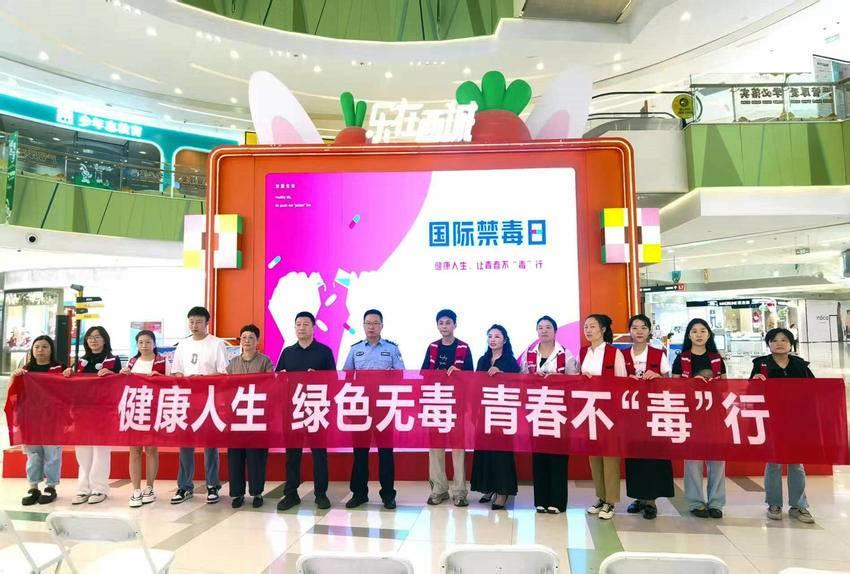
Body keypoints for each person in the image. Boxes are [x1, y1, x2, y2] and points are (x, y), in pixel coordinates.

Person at [341, 309, 405, 510]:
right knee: (360, 453)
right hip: (360, 408)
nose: (371, 327)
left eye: (376, 323)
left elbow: (402, 375)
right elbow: (346, 378)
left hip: (384, 407)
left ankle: (388, 495)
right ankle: (359, 493)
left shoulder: (392, 349)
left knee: (386, 453)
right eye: (368, 323)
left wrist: (392, 375)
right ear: (363, 325)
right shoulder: (355, 350)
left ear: (382, 326)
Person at [751, 328, 815, 524]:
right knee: (774, 462)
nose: (779, 343)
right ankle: (774, 504)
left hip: (796, 420)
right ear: (768, 344)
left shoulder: (800, 365)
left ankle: (799, 505)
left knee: (797, 463)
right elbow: (751, 391)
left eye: (784, 340)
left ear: (791, 344)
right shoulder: (761, 364)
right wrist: (754, 382)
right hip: (772, 419)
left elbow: (814, 389)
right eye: (775, 340)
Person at [276, 312, 337, 511]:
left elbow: (334, 381)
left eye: (305, 324)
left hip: (316, 408)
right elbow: (277, 379)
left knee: (319, 454)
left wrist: (319, 377)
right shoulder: (287, 352)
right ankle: (291, 494)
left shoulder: (324, 352)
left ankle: (321, 494)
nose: (301, 328)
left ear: (313, 327)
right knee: (292, 454)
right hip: (292, 410)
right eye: (298, 324)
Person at [170, 306, 229, 505]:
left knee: (210, 444)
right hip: (187, 399)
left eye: (198, 322)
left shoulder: (217, 343)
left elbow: (224, 373)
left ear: (207, 323)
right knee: (185, 444)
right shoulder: (183, 344)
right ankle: (185, 486)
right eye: (191, 321)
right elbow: (176, 371)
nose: (194, 325)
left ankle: (212, 485)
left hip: (209, 399)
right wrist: (186, 379)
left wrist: (202, 379)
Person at [520, 315, 579, 514]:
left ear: (555, 331)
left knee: (558, 455)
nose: (544, 330)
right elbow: (520, 380)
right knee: (539, 455)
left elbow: (574, 380)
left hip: (558, 410)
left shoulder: (565, 354)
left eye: (548, 327)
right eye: (540, 327)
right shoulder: (529, 354)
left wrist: (557, 378)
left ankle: (557, 501)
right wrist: (532, 377)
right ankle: (541, 500)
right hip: (536, 409)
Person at [672, 318, 727, 519]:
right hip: (690, 414)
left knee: (717, 460)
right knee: (693, 460)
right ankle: (695, 502)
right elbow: (674, 387)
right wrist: (692, 384)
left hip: (714, 413)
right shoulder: (681, 359)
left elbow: (725, 386)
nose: (699, 334)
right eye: (694, 331)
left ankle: (716, 503)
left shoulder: (717, 359)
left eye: (703, 330)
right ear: (689, 335)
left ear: (709, 334)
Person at [62, 326, 121, 505]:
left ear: (105, 339)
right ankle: (83, 489)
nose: (93, 340)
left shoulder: (113, 359)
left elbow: (120, 382)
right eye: (90, 337)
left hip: (103, 411)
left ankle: (99, 488)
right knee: (83, 451)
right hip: (82, 412)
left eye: (97, 337)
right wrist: (68, 374)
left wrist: (112, 374)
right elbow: (72, 386)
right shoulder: (80, 361)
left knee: (100, 450)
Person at [623, 314, 674, 520]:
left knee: (654, 455)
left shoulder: (658, 353)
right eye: (635, 327)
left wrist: (658, 377)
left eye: (643, 327)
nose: (639, 331)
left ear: (649, 331)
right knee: (634, 455)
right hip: (631, 412)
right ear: (629, 331)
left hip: (654, 410)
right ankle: (638, 497)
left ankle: (651, 500)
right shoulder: (622, 355)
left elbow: (669, 379)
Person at [421, 309, 474, 507]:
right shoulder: (432, 347)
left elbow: (472, 376)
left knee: (458, 448)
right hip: (435, 402)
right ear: (437, 326)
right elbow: (423, 372)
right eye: (441, 323)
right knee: (435, 447)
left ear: (455, 325)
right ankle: (439, 489)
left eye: (448, 322)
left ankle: (459, 491)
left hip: (457, 404)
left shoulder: (464, 347)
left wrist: (459, 373)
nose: (444, 326)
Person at [579, 314, 627, 521]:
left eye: (592, 326)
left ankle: (611, 501)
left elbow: (622, 383)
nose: (588, 330)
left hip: (610, 412)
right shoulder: (583, 352)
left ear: (603, 329)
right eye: (586, 327)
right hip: (589, 410)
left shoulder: (614, 353)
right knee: (595, 457)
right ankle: (601, 496)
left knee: (610, 457)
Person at [470, 324, 520, 510]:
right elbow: (475, 385)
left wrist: (502, 375)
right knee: (485, 452)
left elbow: (517, 384)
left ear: (505, 340)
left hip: (502, 414)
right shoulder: (483, 360)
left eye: (497, 336)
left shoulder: (510, 361)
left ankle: (502, 491)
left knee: (501, 453)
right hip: (484, 412)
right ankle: (489, 487)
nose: (493, 339)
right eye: (490, 336)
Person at [12, 335, 65, 506]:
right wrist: (14, 377)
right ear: (32, 350)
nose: (40, 350)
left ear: (51, 349)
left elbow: (68, 392)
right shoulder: (25, 370)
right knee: (33, 455)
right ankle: (33, 487)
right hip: (30, 418)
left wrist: (68, 376)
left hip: (53, 419)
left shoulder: (60, 369)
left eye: (44, 347)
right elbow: (15, 393)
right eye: (37, 347)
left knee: (52, 454)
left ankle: (51, 487)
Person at [227, 324, 274, 509]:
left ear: (257, 341)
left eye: (251, 338)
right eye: (244, 337)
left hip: (257, 415)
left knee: (256, 456)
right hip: (237, 416)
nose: (247, 341)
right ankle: (237, 493)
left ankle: (257, 492)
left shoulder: (265, 361)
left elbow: (270, 384)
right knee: (235, 456)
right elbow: (225, 386)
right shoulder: (232, 363)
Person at [120, 330, 167, 508]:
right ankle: (136, 490)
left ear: (154, 343)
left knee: (151, 449)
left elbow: (170, 383)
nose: (144, 345)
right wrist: (122, 374)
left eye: (148, 342)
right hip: (134, 409)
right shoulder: (132, 362)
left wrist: (161, 378)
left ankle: (149, 487)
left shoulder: (162, 361)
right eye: (140, 342)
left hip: (153, 409)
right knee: (135, 450)